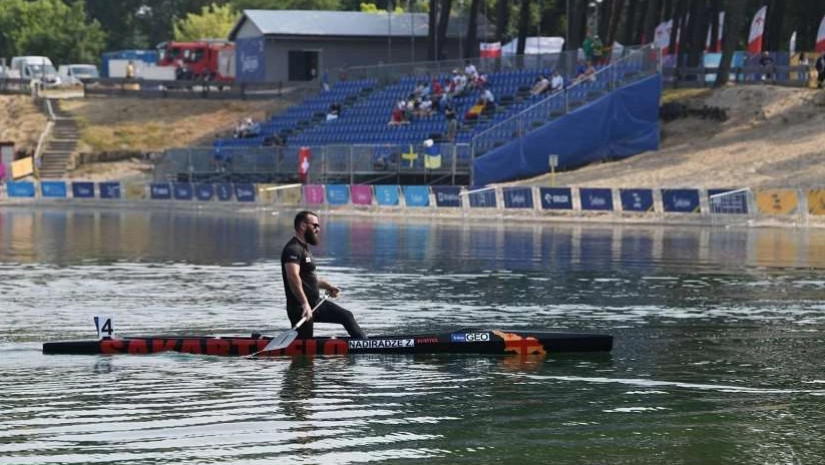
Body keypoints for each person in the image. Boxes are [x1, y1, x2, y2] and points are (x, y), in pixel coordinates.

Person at [281, 211, 366, 340]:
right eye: (315, 225)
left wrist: (328, 286)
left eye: (318, 226)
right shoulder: (293, 249)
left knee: (346, 316)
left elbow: (309, 280)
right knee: (305, 348)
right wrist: (304, 304)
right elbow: (293, 277)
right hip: (300, 308)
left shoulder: (304, 248)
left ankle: (364, 344)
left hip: (315, 304)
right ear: (303, 225)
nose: (318, 229)